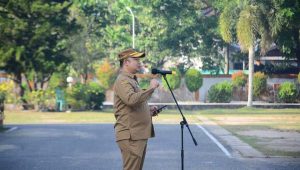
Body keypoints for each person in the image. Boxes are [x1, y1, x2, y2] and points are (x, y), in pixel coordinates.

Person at [113, 48, 160, 170]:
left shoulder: (131, 79)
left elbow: (133, 105)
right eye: (135, 59)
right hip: (130, 135)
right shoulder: (123, 80)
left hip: (137, 134)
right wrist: (151, 88)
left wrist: (148, 111)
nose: (139, 62)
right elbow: (131, 99)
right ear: (126, 62)